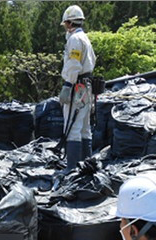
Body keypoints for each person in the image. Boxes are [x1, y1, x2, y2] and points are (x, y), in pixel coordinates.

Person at [59, 5, 96, 174]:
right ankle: (86, 165)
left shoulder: (74, 40)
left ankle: (72, 167)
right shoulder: (84, 38)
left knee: (72, 126)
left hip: (76, 86)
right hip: (87, 86)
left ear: (69, 22)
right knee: (84, 127)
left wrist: (68, 85)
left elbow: (73, 65)